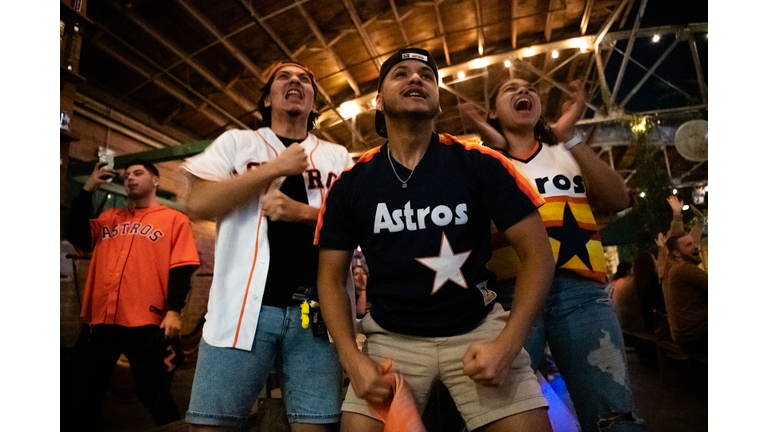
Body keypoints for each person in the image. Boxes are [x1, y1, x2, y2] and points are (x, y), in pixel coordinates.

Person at [316, 48, 555, 432]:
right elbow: (329, 278)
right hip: (391, 339)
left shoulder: (482, 164)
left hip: (478, 328)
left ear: (439, 100)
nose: (416, 79)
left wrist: (509, 344)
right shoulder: (351, 184)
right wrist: (352, 358)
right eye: (401, 74)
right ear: (377, 101)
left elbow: (539, 256)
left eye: (427, 76)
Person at [461, 70, 646, 431]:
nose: (524, 90)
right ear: (494, 112)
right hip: (510, 296)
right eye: (511, 89)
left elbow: (617, 197)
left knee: (614, 415)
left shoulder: (566, 152)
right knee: (496, 414)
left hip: (581, 294)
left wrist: (570, 137)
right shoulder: (482, 165)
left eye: (530, 88)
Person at [181, 61, 354, 431]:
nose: (296, 81)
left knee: (317, 425)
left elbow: (359, 223)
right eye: (284, 77)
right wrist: (273, 168)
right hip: (242, 311)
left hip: (318, 314)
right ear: (267, 98)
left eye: (305, 79)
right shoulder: (237, 143)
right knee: (210, 425)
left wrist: (303, 213)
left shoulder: (336, 156)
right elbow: (197, 204)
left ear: (313, 102)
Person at [65, 160, 200, 431]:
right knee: (84, 394)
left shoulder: (174, 220)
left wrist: (174, 310)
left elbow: (182, 267)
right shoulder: (109, 218)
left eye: (138, 173)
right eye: (126, 175)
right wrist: (88, 189)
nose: (130, 179)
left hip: (146, 322)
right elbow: (76, 233)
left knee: (155, 395)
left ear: (156, 181)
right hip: (99, 321)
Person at [662, 232, 708, 354]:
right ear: (676, 253)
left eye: (694, 243)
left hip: (686, 335)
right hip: (697, 335)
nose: (695, 246)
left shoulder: (676, 269)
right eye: (688, 245)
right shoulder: (684, 268)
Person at [351, 250, 371, 318]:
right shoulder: (350, 294)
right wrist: (362, 291)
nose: (360, 277)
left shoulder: (372, 292)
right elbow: (360, 313)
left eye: (363, 273)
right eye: (356, 274)